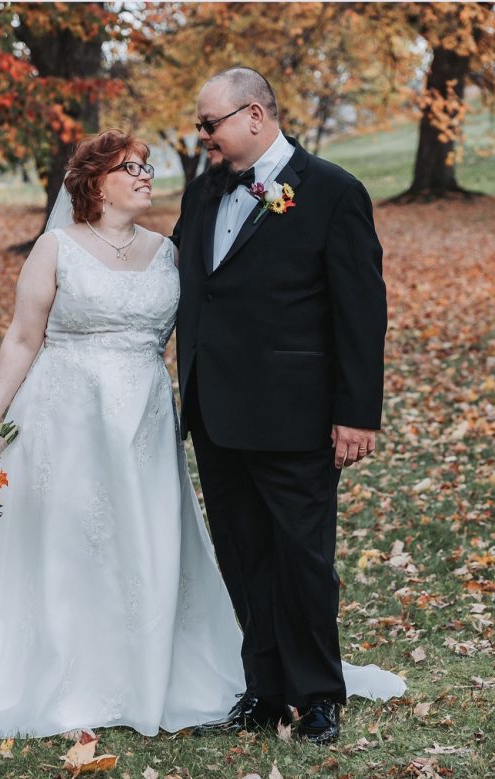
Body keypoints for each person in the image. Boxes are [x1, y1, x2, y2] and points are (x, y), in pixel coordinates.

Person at [0, 128, 247, 766]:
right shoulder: (56, 248)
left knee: (146, 538)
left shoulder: (169, 252)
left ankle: (148, 668)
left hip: (145, 419)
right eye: (130, 167)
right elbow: (23, 337)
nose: (144, 175)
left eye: (146, 166)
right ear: (96, 182)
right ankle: (60, 672)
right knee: (70, 541)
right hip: (64, 416)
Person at [172, 67, 405, 743]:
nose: (202, 137)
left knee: (302, 559)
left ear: (252, 115)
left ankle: (319, 695)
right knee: (245, 557)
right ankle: (265, 692)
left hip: (296, 414)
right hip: (216, 413)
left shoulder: (333, 192)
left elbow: (362, 312)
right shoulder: (201, 194)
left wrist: (358, 412)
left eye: (208, 124)